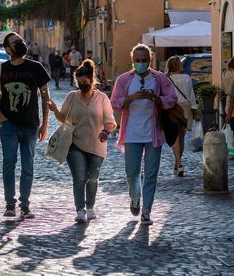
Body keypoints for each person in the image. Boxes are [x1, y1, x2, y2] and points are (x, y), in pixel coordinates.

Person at [110, 44, 177, 225]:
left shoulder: (159, 78)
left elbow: (172, 99)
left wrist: (156, 98)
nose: (141, 63)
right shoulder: (124, 80)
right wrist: (129, 99)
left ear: (150, 60)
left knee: (151, 174)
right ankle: (135, 197)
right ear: (132, 61)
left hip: (153, 133)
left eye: (144, 60)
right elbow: (114, 102)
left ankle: (146, 212)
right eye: (137, 61)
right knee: (131, 173)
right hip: (131, 133)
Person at [0, 32, 51, 218]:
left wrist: (45, 124)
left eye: (21, 41)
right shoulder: (0, 70)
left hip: (31, 125)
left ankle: (25, 205)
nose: (21, 44)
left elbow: (46, 97)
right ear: (8, 49)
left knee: (28, 166)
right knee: (9, 163)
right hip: (9, 126)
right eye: (16, 43)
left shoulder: (36, 68)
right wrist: (2, 118)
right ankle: (9, 204)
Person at [48, 59, 116, 223]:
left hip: (96, 146)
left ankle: (90, 207)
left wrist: (106, 131)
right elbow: (63, 119)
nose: (82, 86)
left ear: (92, 80)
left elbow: (110, 120)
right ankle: (80, 210)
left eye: (85, 82)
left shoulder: (102, 99)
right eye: (79, 83)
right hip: (75, 145)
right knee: (79, 178)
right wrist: (55, 109)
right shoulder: (72, 97)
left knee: (92, 178)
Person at [165, 56, 199, 176]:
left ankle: (178, 163)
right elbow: (191, 96)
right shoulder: (186, 78)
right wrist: (195, 111)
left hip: (173, 108)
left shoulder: (167, 79)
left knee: (175, 137)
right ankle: (178, 163)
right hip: (185, 108)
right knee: (181, 137)